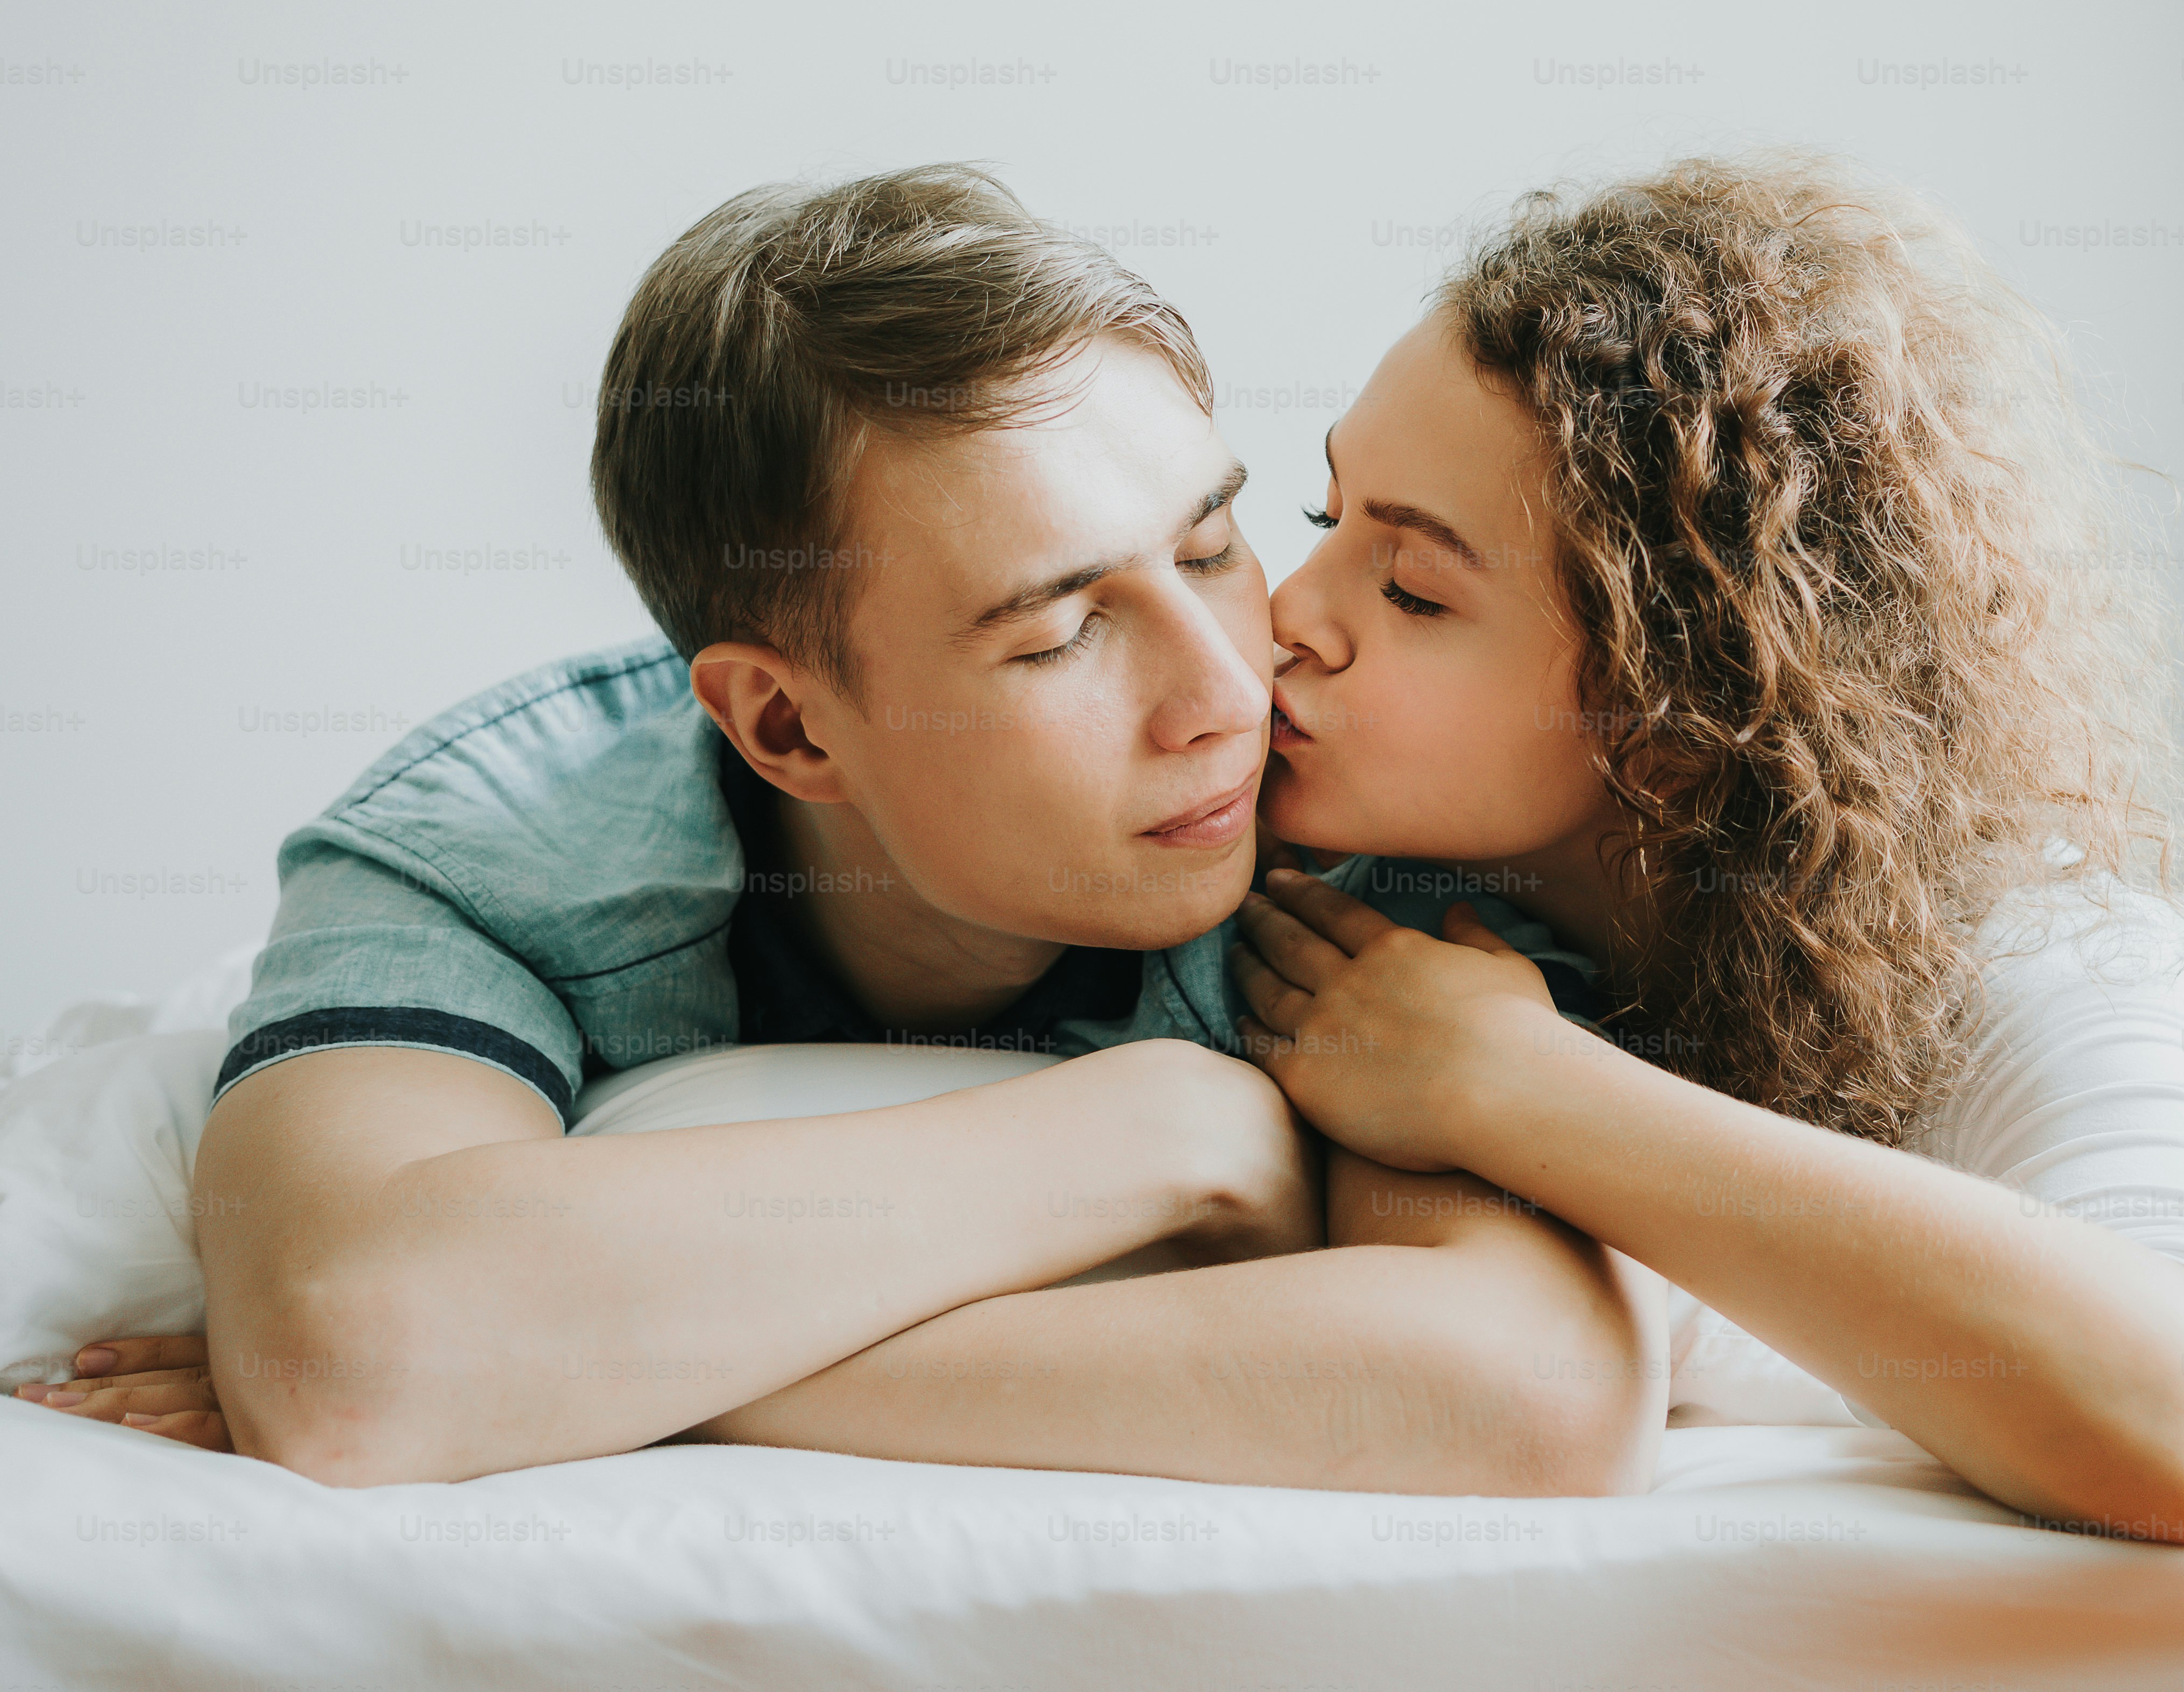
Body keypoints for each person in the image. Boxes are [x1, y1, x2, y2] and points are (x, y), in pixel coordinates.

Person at [15, 165, 1657, 1492]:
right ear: (789, 725)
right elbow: (350, 1359)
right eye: (1060, 634)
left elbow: (1528, 1401)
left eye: (1216, 543)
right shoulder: (488, 845)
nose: (1231, 686)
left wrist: (603, 1368)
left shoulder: (1345, 834)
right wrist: (1177, 1131)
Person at [1231, 154, 2184, 1542]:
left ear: (1678, 720)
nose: (1282, 617)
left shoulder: (2003, 945)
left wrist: (1506, 1078)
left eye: (1414, 589)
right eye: (1325, 519)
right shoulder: (1347, 892)